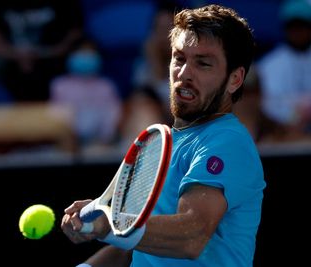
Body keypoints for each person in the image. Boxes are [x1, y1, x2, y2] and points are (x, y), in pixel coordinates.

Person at [61, 4, 266, 267]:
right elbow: (137, 246)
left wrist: (109, 225)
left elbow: (190, 236)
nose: (184, 73)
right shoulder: (166, 142)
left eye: (203, 64)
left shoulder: (227, 142)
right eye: (179, 58)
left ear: (235, 79)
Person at [256, 0, 311, 140]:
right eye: (293, 27)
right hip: (282, 137)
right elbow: (266, 105)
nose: (298, 32)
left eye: (302, 26)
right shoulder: (269, 65)